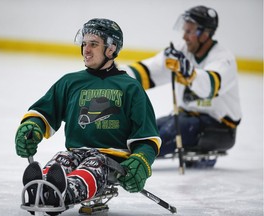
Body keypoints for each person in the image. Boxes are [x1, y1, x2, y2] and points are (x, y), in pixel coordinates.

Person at [15, 18, 161, 212]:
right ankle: (42, 187)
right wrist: (32, 126)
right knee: (62, 159)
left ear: (111, 49)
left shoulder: (131, 87)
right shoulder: (70, 82)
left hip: (111, 159)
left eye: (93, 44)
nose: (86, 50)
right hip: (76, 152)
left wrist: (141, 160)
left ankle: (63, 193)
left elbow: (147, 137)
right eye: (84, 43)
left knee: (95, 164)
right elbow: (43, 112)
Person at [120, 6, 241, 160]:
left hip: (218, 127)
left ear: (205, 34)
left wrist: (189, 73)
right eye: (184, 31)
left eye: (189, 32)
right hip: (183, 117)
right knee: (144, 130)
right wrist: (118, 77)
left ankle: (128, 159)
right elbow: (150, 71)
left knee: (163, 136)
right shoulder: (182, 50)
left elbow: (209, 86)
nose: (184, 37)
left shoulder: (224, 59)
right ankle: (116, 151)